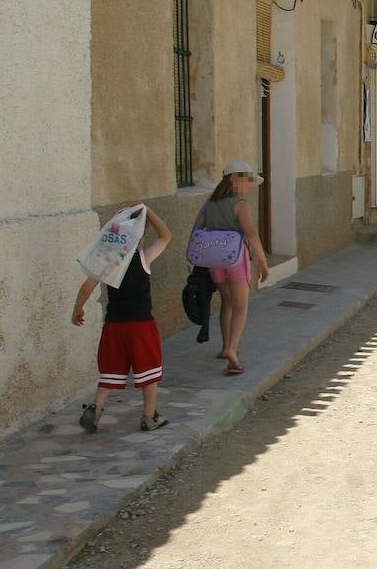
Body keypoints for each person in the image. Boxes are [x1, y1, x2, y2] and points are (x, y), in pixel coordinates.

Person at [72, 206, 173, 432]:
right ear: (139, 237)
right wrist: (149, 211)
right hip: (141, 325)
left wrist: (77, 309)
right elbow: (166, 236)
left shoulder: (108, 261)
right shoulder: (143, 258)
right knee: (149, 370)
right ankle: (149, 416)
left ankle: (96, 407)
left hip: (114, 324)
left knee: (111, 369)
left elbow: (87, 287)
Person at [195, 160, 270, 376]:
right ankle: (232, 349)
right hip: (236, 258)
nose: (250, 185)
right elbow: (251, 233)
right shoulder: (240, 204)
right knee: (241, 306)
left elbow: (197, 229)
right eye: (247, 180)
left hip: (214, 261)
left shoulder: (209, 204)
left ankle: (224, 345)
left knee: (227, 302)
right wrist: (263, 262)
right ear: (233, 179)